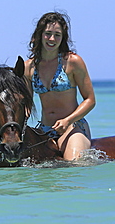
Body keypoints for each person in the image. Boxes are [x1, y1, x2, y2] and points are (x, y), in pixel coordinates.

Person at [24, 11, 96, 161]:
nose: (52, 39)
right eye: (48, 33)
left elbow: (90, 100)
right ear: (40, 34)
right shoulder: (29, 67)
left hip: (72, 127)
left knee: (73, 165)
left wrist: (67, 121)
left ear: (63, 38)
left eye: (57, 35)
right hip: (43, 130)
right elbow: (27, 103)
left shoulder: (72, 62)